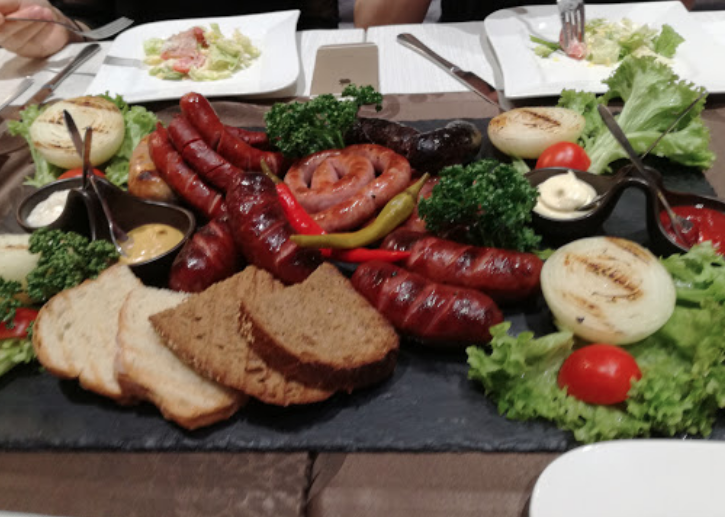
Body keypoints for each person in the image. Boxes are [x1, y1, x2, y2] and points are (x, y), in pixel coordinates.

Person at [0, 0, 338, 58]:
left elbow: (320, 16)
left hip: (294, 73)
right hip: (139, 89)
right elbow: (90, 17)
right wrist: (63, 30)